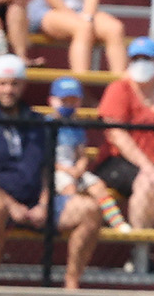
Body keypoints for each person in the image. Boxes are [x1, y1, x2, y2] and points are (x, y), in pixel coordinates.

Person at [0, 54, 101, 288]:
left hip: (35, 201)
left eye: (15, 84)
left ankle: (71, 284)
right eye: (3, 83)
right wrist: (10, 204)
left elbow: (46, 169)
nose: (8, 90)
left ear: (23, 85)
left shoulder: (38, 123)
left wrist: (44, 204)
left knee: (89, 210)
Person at [92, 37, 154, 232]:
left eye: (146, 58)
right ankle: (141, 245)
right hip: (122, 161)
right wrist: (147, 166)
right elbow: (117, 134)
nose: (141, 63)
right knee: (149, 180)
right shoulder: (119, 89)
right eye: (136, 58)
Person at [47, 75, 129, 231]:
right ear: (52, 101)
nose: (69, 105)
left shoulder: (76, 126)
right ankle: (74, 219)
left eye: (73, 101)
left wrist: (80, 167)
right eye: (64, 101)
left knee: (98, 186)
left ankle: (116, 222)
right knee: (69, 187)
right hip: (56, 170)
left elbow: (81, 154)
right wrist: (67, 170)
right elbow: (45, 157)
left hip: (74, 168)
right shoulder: (46, 125)